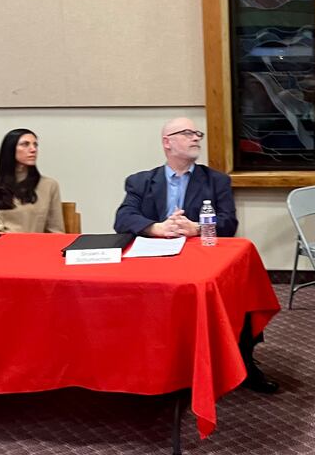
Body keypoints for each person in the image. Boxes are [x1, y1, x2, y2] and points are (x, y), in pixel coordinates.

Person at [113, 117, 277, 393]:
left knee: (240, 289)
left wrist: (196, 227)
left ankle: (245, 362)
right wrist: (157, 227)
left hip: (200, 258)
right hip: (156, 259)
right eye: (187, 133)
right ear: (167, 143)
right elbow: (123, 218)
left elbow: (228, 223)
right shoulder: (140, 181)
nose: (196, 138)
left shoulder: (216, 181)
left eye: (197, 133)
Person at [0, 128, 64, 233]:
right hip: (1, 247)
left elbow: (56, 231)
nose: (33, 149)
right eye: (25, 144)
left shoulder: (49, 185)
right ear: (10, 149)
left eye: (35, 145)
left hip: (37, 247)